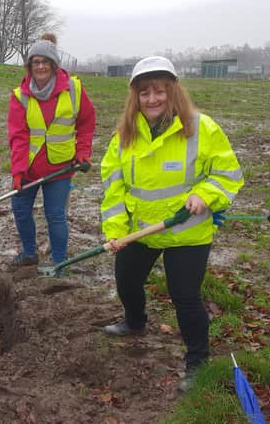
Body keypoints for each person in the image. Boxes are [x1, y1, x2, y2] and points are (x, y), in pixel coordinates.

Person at [100, 56, 244, 391]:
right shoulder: (124, 133)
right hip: (141, 232)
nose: (152, 99)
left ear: (173, 92)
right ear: (135, 96)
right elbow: (113, 187)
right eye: (145, 92)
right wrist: (118, 232)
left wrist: (206, 194)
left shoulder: (202, 128)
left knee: (185, 296)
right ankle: (135, 323)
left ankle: (197, 363)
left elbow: (228, 174)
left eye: (160, 91)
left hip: (186, 233)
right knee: (126, 281)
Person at [7, 33, 95, 272]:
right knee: (20, 210)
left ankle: (59, 262)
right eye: (36, 62)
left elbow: (86, 122)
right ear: (30, 66)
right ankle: (29, 253)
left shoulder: (73, 89)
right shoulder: (20, 96)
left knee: (55, 216)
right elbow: (18, 137)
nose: (41, 66)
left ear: (54, 65)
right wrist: (17, 172)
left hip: (60, 168)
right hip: (29, 168)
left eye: (46, 61)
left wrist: (83, 151)